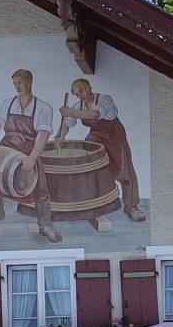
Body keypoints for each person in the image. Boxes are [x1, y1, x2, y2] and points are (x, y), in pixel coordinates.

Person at [0, 68, 60, 243]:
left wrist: (32, 158)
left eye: (20, 82)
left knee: (40, 190)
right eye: (15, 83)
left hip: (28, 152)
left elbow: (43, 136)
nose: (17, 86)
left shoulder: (43, 108)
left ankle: (45, 226)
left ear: (30, 82)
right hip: (6, 149)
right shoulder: (7, 104)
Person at [56, 77, 146, 223]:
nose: (80, 96)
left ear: (89, 87)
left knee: (124, 169)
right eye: (77, 94)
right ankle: (95, 206)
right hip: (96, 136)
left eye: (82, 91)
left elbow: (95, 115)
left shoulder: (104, 99)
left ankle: (132, 206)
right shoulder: (78, 107)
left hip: (114, 135)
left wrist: (70, 113)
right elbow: (67, 123)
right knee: (89, 163)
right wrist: (60, 136)